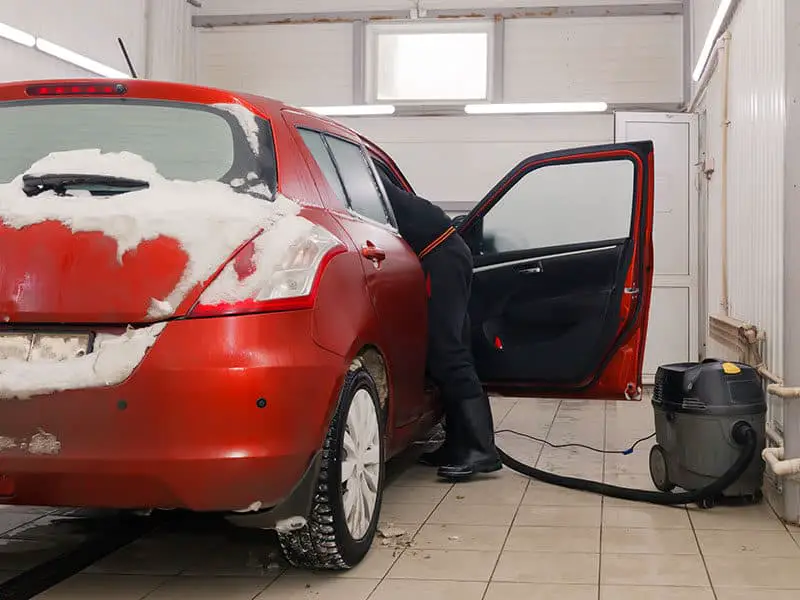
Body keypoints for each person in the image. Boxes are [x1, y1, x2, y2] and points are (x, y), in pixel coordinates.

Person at [378, 170, 501, 481]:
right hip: (444, 251)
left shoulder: (361, 173)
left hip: (439, 254)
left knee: (447, 351)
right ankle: (459, 444)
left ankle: (480, 449)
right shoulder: (369, 173)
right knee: (446, 351)